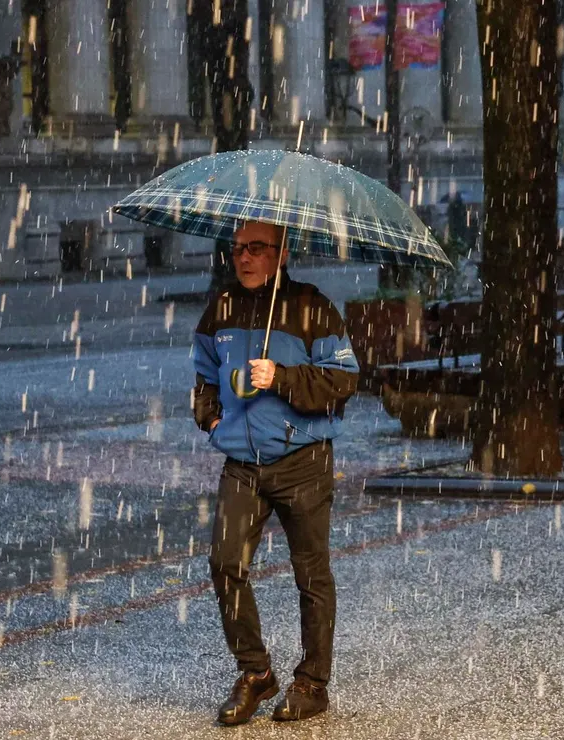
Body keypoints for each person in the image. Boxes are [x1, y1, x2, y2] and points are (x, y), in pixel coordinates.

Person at [192, 220, 359, 725]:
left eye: (257, 248)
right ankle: (256, 674)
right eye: (238, 248)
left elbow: (345, 379)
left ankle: (312, 684)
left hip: (302, 463)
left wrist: (281, 378)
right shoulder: (219, 309)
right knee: (225, 562)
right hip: (242, 465)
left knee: (311, 574)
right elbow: (202, 377)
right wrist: (212, 417)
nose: (243, 258)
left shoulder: (313, 308)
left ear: (282, 253)